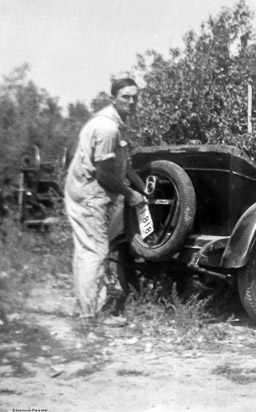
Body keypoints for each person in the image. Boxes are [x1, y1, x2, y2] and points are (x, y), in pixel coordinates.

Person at [65, 78, 147, 327]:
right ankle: (91, 317)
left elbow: (123, 164)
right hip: (90, 194)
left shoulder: (116, 124)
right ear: (114, 98)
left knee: (85, 250)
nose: (131, 102)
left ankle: (84, 308)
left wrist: (143, 187)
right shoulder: (107, 128)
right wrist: (130, 194)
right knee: (96, 252)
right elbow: (103, 173)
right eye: (125, 97)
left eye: (135, 97)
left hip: (83, 191)